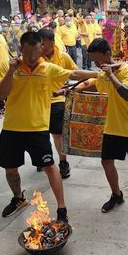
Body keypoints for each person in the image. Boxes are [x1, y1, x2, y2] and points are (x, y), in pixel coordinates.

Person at [0, 31, 93, 221]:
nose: (32, 58)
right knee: (10, 169)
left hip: (38, 130)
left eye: (36, 52)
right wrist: (10, 71)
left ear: (42, 49)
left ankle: (62, 208)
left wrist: (100, 72)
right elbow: (0, 94)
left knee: (50, 167)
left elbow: (73, 73)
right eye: (27, 53)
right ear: (20, 49)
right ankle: (18, 198)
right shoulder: (10, 68)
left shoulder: (48, 68)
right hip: (11, 129)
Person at [84, 38, 128, 236]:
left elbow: (126, 94)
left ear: (108, 55)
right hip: (112, 127)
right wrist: (71, 89)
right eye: (94, 62)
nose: (97, 65)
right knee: (106, 162)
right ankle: (117, 195)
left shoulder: (126, 72)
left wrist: (111, 76)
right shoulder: (103, 74)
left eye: (98, 61)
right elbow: (96, 86)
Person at [38, 28, 77, 179]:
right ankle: (41, 157)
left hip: (57, 100)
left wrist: (67, 88)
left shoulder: (63, 57)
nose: (44, 50)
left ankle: (63, 162)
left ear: (53, 43)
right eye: (41, 47)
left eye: (47, 47)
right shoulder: (34, 58)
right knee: (39, 133)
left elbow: (75, 73)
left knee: (57, 134)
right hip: (38, 101)